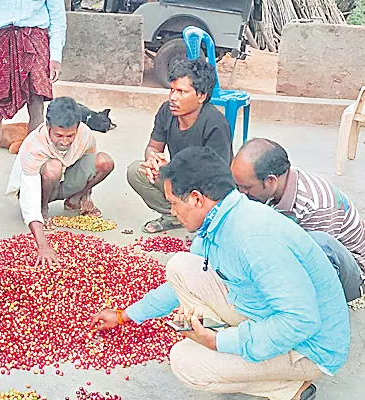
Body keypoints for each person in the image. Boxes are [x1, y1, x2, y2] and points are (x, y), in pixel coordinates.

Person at [92, 147, 350, 400]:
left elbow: (300, 321)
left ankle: (290, 389)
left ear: (196, 198)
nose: (172, 212)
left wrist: (220, 343)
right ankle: (248, 352)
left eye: (173, 203)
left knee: (186, 362)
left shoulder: (253, 238)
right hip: (266, 311)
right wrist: (125, 315)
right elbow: (177, 286)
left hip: (311, 348)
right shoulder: (220, 221)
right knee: (180, 266)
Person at [232, 138, 365, 302]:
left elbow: (317, 266)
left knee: (319, 244)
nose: (241, 192)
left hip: (350, 277)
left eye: (246, 187)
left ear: (271, 181)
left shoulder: (316, 204)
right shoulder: (271, 189)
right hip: (303, 256)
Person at [0, 0, 67, 203]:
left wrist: (55, 55)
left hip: (36, 41)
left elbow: (58, 16)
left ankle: (31, 176)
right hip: (2, 41)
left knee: (36, 107)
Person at [127, 58, 232, 233]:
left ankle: (202, 223)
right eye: (172, 90)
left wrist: (173, 170)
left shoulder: (215, 124)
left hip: (206, 188)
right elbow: (153, 147)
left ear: (201, 96)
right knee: (136, 171)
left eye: (182, 92)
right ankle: (174, 216)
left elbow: (217, 178)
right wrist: (153, 160)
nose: (173, 98)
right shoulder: (166, 111)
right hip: (177, 178)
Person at [6, 97, 114, 266]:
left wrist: (85, 194)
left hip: (64, 182)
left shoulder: (85, 134)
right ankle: (44, 207)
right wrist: (43, 245)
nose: (65, 141)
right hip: (38, 189)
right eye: (59, 135)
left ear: (78, 128)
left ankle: (74, 200)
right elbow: (28, 196)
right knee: (53, 167)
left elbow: (89, 160)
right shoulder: (33, 146)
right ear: (48, 127)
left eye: (70, 135)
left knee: (104, 161)